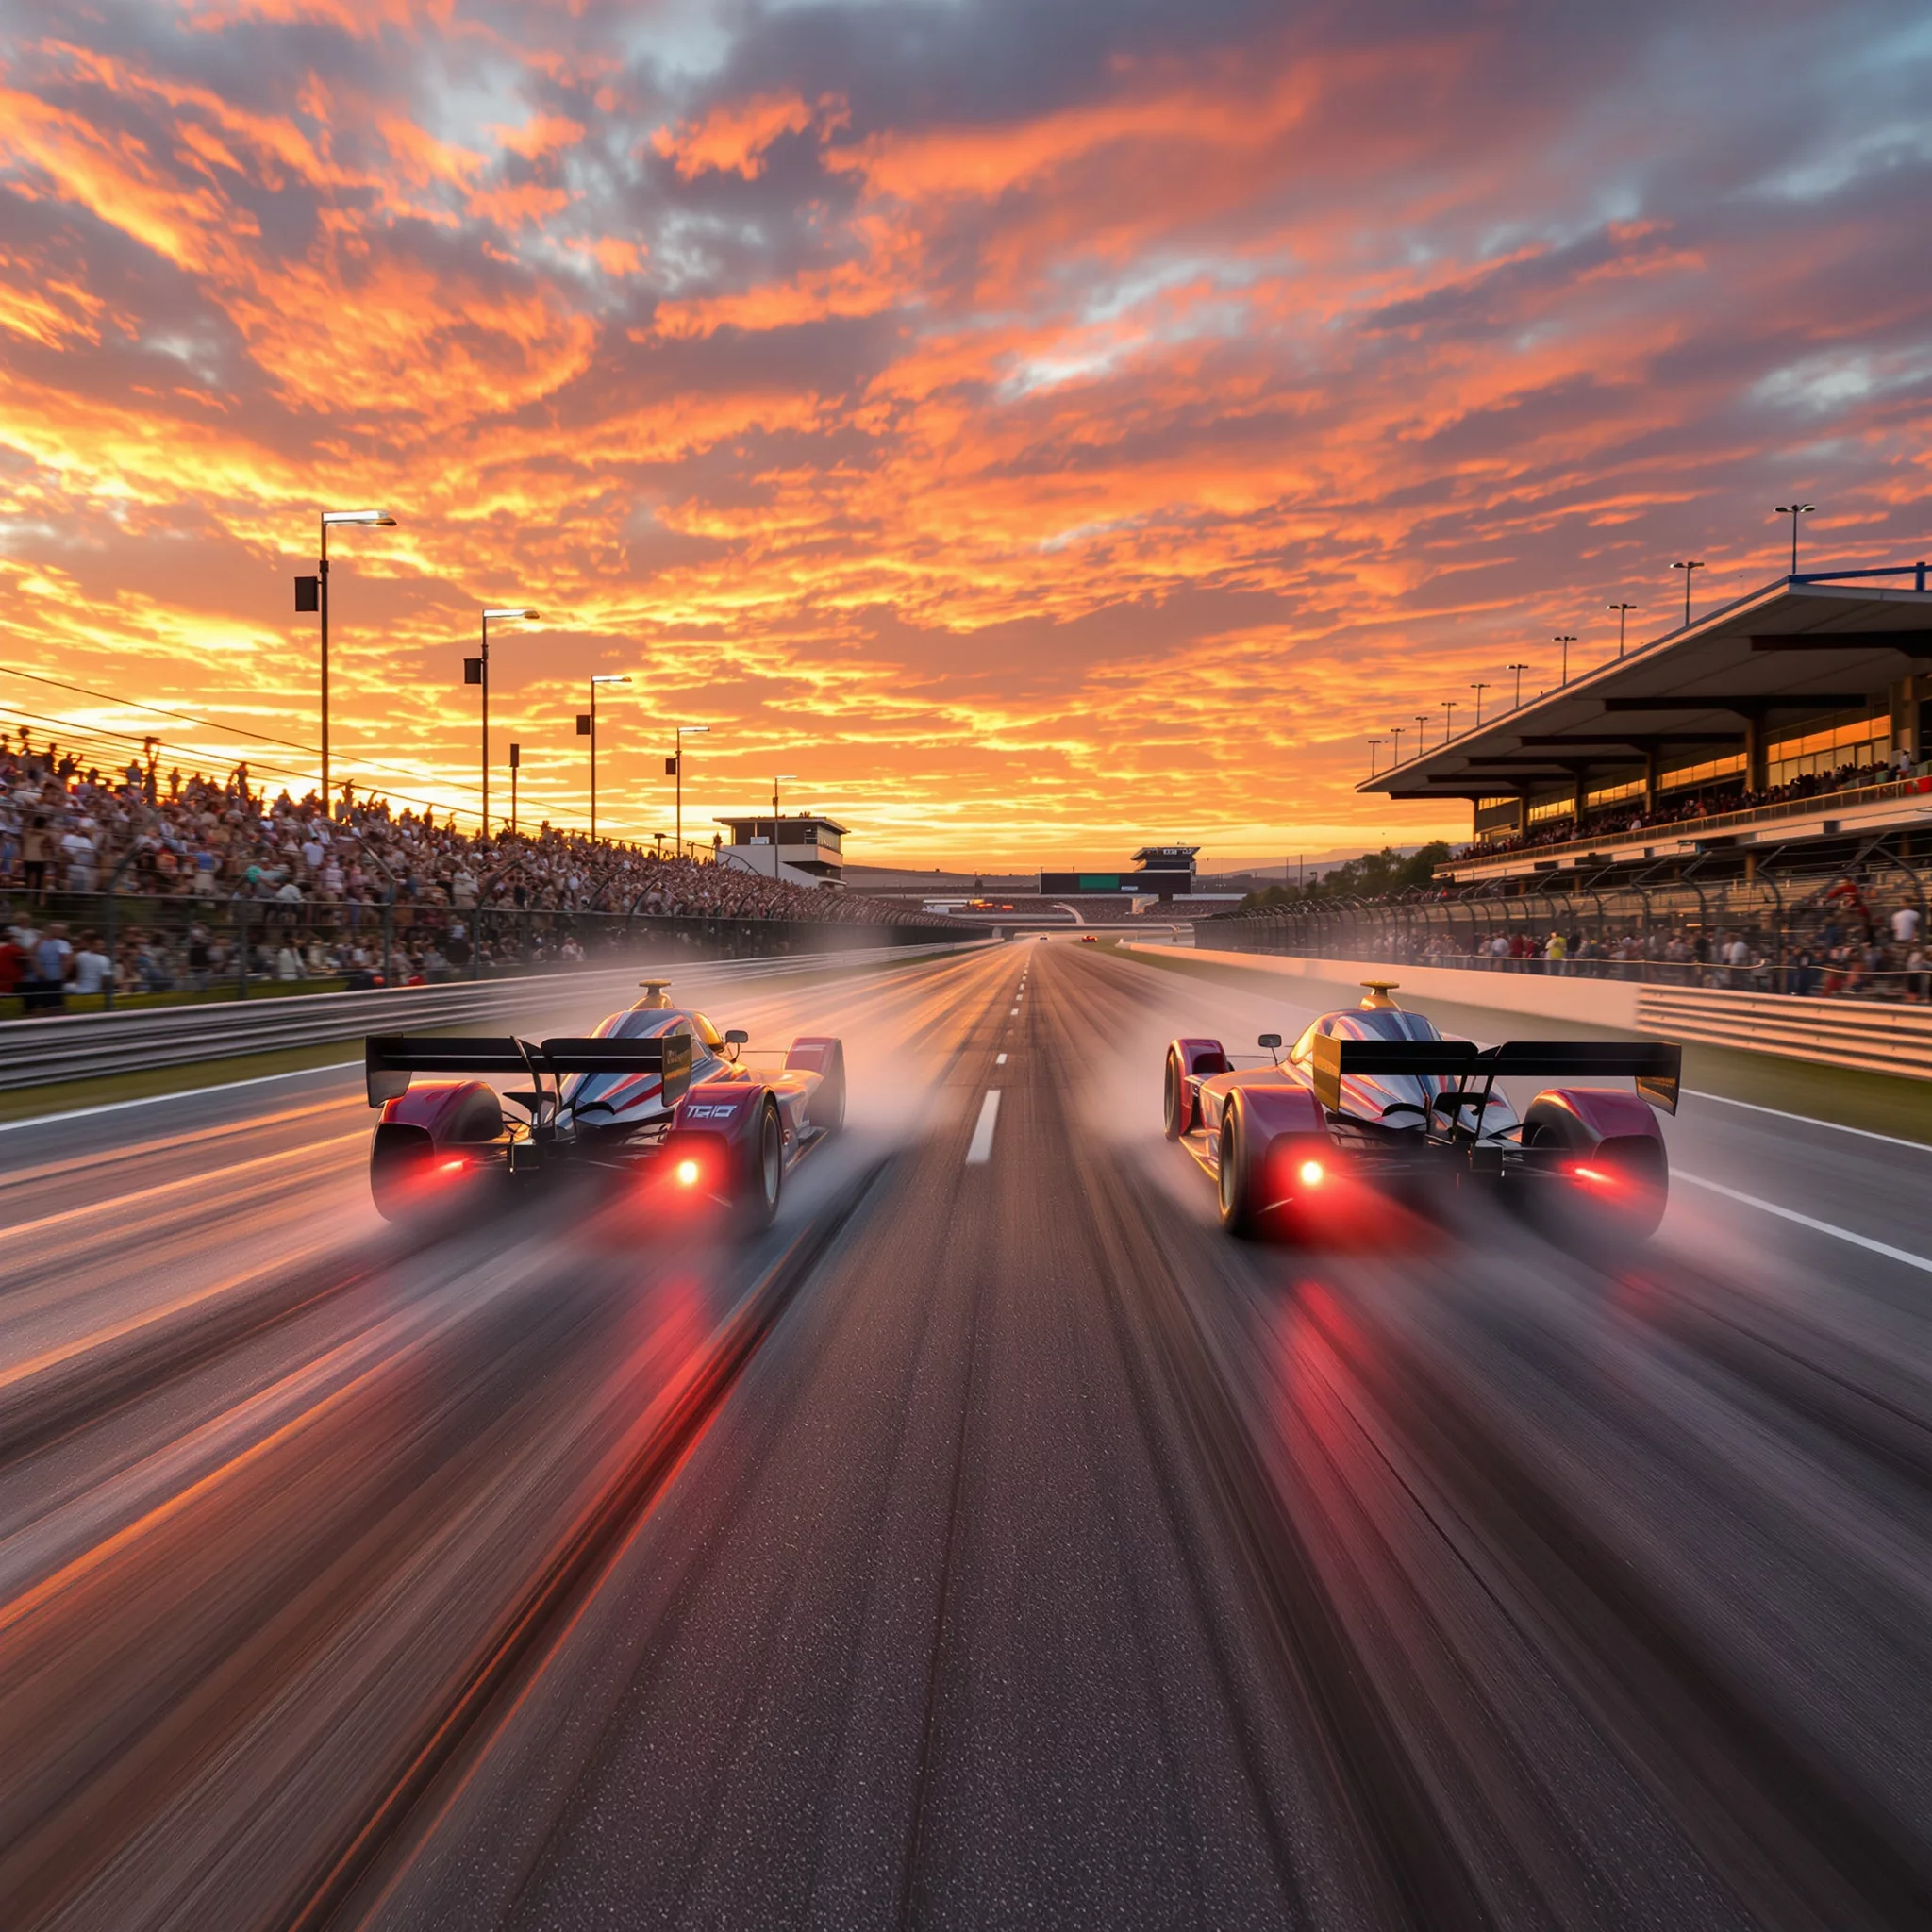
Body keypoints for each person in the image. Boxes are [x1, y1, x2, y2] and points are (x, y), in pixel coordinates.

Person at [71, 932, 112, 998]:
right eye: (99, 945)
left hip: (78, 989)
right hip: (94, 990)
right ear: (91, 945)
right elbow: (104, 978)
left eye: (102, 945)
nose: (101, 947)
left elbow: (77, 972)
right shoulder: (104, 959)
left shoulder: (80, 955)